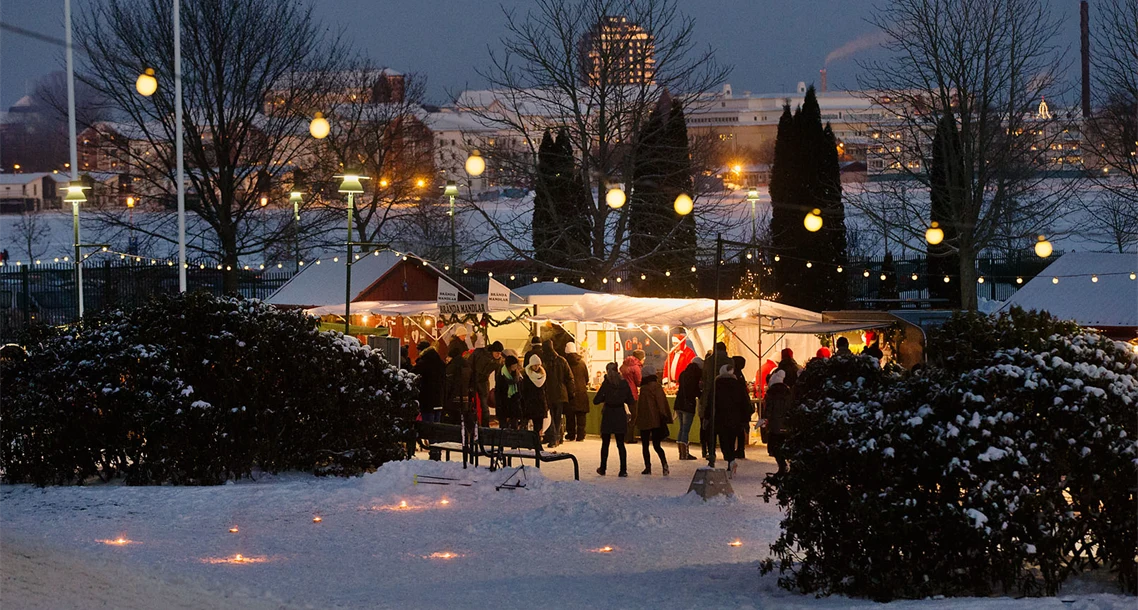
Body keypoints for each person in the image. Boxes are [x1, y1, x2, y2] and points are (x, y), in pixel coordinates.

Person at [593, 362, 632, 476]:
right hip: (620, 413)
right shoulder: (624, 383)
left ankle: (603, 468)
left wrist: (606, 398)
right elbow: (630, 400)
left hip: (608, 414)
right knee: (620, 444)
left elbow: (596, 400)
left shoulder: (606, 383)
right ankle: (623, 470)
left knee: (605, 444)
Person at [711, 363, 750, 478]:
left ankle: (729, 459)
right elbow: (745, 402)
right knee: (732, 440)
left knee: (723, 440)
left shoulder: (717, 385)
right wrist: (745, 418)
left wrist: (708, 416)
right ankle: (730, 461)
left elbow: (711, 402)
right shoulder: (738, 385)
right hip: (735, 418)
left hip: (721, 417)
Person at [632, 371, 673, 475]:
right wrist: (664, 415)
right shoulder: (657, 387)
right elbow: (661, 403)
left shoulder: (643, 388)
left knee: (645, 445)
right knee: (657, 445)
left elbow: (640, 406)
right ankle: (664, 464)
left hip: (645, 419)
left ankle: (648, 467)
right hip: (656, 419)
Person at [541, 340, 574, 447]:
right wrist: (570, 392)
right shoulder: (562, 360)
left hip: (549, 393)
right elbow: (569, 377)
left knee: (551, 416)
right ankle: (558, 438)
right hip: (561, 393)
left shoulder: (544, 361)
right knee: (557, 416)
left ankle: (554, 438)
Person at [699, 342, 730, 458]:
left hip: (710, 396)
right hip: (726, 397)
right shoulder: (730, 361)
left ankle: (710, 451)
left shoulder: (708, 361)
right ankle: (727, 454)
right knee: (724, 428)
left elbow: (705, 378)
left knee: (710, 427)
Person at [763, 369, 793, 475]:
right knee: (785, 445)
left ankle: (782, 466)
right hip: (787, 423)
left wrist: (765, 420)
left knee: (774, 446)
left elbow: (768, 410)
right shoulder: (789, 393)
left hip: (774, 424)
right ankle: (787, 466)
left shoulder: (771, 394)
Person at [469, 339, 503, 426]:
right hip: (472, 379)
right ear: (492, 351)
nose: (498, 355)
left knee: (484, 404)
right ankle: (472, 423)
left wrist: (498, 386)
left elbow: (497, 374)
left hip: (483, 381)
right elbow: (471, 367)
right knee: (471, 403)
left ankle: (485, 425)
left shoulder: (498, 360)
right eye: (497, 353)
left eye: (500, 353)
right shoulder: (481, 355)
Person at [443, 339, 474, 438]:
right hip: (465, 397)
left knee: (454, 420)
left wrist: (445, 398)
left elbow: (448, 384)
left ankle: (455, 438)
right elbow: (472, 382)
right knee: (463, 419)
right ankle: (464, 437)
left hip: (453, 399)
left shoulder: (452, 367)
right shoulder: (467, 366)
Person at [673, 357, 702, 461]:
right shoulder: (695, 376)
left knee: (681, 428)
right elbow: (695, 391)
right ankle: (685, 454)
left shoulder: (683, 374)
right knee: (686, 429)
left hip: (679, 403)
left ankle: (682, 453)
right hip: (688, 405)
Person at [411, 341, 446, 424]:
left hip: (427, 401)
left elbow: (412, 375)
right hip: (439, 400)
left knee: (427, 428)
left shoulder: (423, 363)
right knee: (437, 428)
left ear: (421, 351)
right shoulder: (440, 363)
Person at [563, 342, 590, 442]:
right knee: (581, 415)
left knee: (570, 415)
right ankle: (580, 435)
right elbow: (586, 378)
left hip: (570, 392)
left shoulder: (565, 363)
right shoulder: (582, 363)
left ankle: (571, 434)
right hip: (582, 391)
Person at [620, 349, 644, 444]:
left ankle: (623, 436)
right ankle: (629, 437)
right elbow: (638, 382)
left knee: (624, 415)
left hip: (622, 392)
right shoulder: (636, 367)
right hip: (632, 393)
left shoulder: (623, 365)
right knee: (633, 416)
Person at [494, 355, 523, 430]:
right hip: (504, 405)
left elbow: (519, 389)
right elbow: (498, 393)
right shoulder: (501, 375)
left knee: (514, 427)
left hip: (514, 405)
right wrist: (499, 406)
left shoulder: (517, 375)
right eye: (514, 365)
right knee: (504, 428)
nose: (515, 367)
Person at [521, 354, 548, 433]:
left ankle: (536, 440)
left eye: (538, 365)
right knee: (531, 424)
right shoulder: (526, 376)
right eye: (535, 365)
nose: (537, 367)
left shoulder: (542, 375)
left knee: (538, 425)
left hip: (539, 402)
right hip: (531, 402)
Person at [731, 355, 751, 460]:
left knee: (737, 429)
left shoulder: (735, 375)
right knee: (741, 429)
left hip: (738, 406)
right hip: (743, 405)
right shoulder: (740, 375)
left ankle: (739, 450)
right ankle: (740, 449)